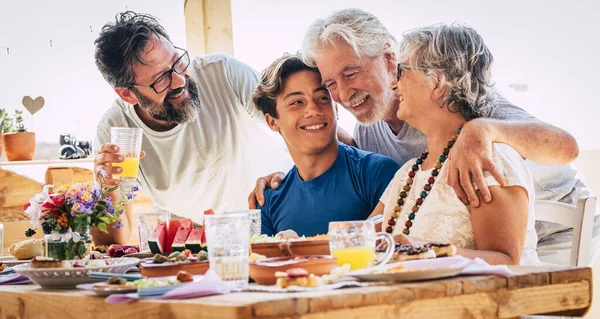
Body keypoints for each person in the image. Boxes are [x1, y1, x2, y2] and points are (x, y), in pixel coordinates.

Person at [250, 8, 594, 266]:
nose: (340, 94)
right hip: (463, 250)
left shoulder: (472, 116)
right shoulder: (371, 130)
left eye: (351, 73)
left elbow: (567, 147)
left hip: (557, 234)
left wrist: (483, 129)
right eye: (330, 84)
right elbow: (349, 165)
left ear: (389, 59)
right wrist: (288, 175)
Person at [92, 12, 292, 245]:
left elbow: (295, 123)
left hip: (278, 217)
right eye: (160, 79)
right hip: (194, 246)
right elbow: (111, 245)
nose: (179, 81)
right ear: (127, 94)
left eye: (178, 62)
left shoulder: (223, 73)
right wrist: (108, 189)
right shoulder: (116, 131)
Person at [370, 23, 539, 265]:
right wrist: (297, 246)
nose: (394, 85)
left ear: (437, 83)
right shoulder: (408, 173)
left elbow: (507, 262)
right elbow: (364, 241)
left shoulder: (487, 160)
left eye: (402, 72)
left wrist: (429, 250)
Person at [252, 54, 400, 238]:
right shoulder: (268, 200)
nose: (313, 109)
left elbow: (395, 256)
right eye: (297, 102)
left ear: (336, 109)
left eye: (322, 98)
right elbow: (262, 264)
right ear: (272, 122)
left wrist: (299, 250)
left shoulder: (378, 173)